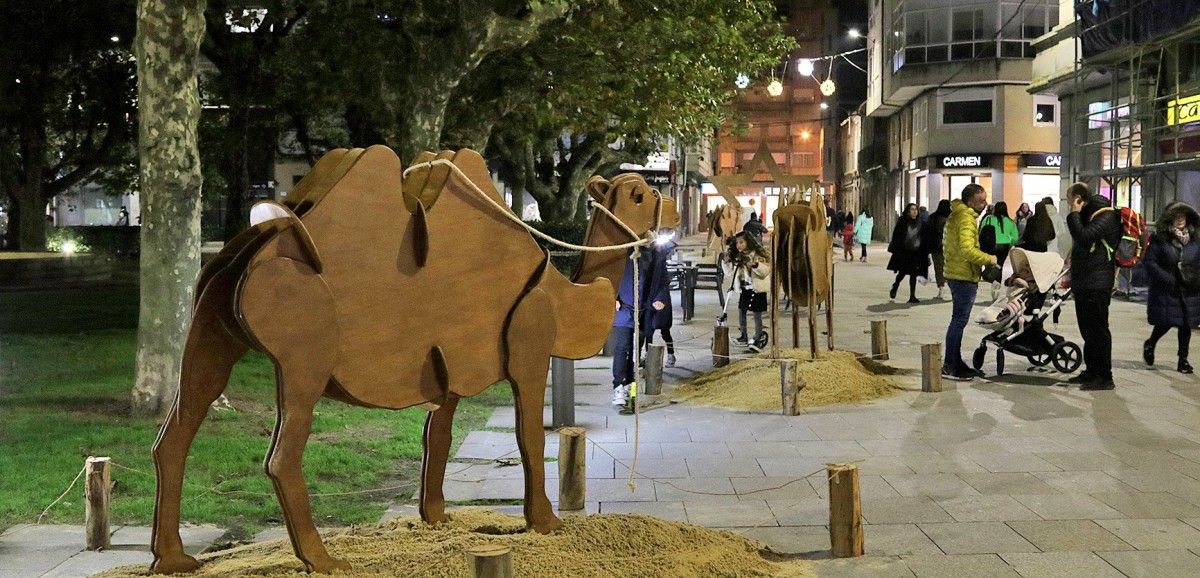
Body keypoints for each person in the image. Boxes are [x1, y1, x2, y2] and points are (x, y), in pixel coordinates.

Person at [1064, 182, 1122, 391]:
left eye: (1068, 198)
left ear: (1078, 198)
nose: (1067, 202)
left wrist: (1074, 214)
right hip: (1086, 281)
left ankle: (1105, 376)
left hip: (1097, 283)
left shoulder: (1105, 215)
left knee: (1098, 330)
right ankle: (1091, 371)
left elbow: (1084, 236)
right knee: (1087, 330)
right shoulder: (1090, 215)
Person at [941, 184, 998, 381]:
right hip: (963, 276)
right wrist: (989, 259)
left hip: (956, 273)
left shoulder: (958, 214)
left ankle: (955, 362)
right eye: (981, 200)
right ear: (970, 200)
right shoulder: (966, 217)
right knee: (958, 322)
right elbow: (967, 250)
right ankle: (950, 365)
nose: (985, 204)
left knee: (958, 321)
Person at [1143, 202, 1200, 375]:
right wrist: (1167, 279)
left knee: (1186, 325)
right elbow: (1150, 262)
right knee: (1165, 322)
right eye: (1176, 216)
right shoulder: (1160, 239)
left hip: (1189, 288)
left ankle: (1183, 360)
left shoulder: (1196, 239)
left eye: (1183, 216)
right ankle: (1151, 343)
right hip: (1167, 289)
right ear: (1170, 219)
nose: (1180, 219)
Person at [611, 247, 653, 407]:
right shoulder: (620, 252)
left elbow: (658, 280)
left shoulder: (651, 253)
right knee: (622, 347)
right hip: (624, 308)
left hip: (643, 310)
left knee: (636, 349)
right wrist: (613, 296)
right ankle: (618, 386)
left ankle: (630, 385)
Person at [723, 232, 771, 352]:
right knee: (741, 312)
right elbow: (729, 272)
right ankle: (743, 335)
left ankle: (758, 336)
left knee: (757, 315)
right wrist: (726, 261)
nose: (739, 245)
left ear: (747, 242)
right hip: (744, 289)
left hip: (757, 289)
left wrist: (755, 265)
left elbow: (765, 271)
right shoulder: (738, 256)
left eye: (741, 242)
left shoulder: (757, 255)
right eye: (737, 243)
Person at [642, 233, 678, 368]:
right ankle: (648, 355)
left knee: (665, 330)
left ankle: (671, 354)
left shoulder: (660, 259)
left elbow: (664, 280)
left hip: (660, 298)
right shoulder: (647, 256)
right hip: (648, 298)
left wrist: (660, 298)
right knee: (647, 331)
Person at [887, 203, 930, 304]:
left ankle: (912, 296)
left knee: (913, 274)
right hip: (904, 252)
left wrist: (926, 252)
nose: (914, 211)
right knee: (902, 273)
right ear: (908, 211)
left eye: (916, 209)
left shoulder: (921, 223)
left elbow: (925, 238)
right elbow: (896, 236)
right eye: (912, 209)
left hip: (916, 253)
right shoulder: (903, 222)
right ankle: (896, 285)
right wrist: (896, 249)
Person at [980, 201, 1018, 298]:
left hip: (990, 245)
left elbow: (981, 231)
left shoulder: (988, 219)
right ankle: (996, 285)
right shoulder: (1010, 221)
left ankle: (991, 279)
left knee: (990, 263)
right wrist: (1010, 242)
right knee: (999, 266)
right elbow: (1015, 237)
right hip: (1004, 246)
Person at [928, 200, 952, 299]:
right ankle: (952, 289)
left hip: (935, 247)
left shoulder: (932, 217)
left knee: (938, 268)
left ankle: (941, 289)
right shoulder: (951, 218)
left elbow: (927, 231)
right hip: (948, 246)